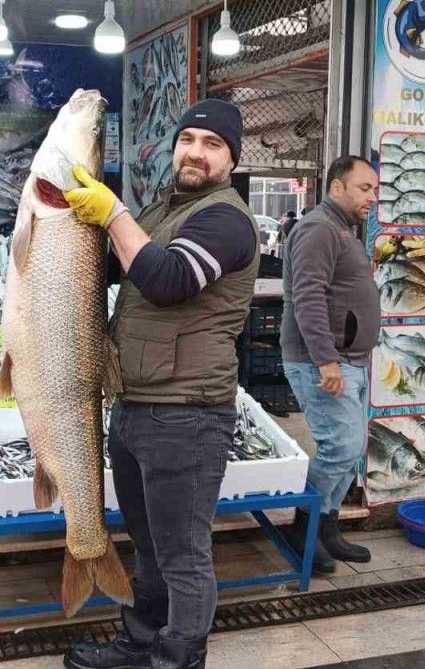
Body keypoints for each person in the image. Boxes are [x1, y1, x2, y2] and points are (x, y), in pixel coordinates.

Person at [60, 99, 259, 669]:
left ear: (231, 159)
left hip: (187, 414)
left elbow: (168, 280)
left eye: (212, 144)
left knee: (183, 555)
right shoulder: (163, 209)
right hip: (135, 404)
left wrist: (113, 212)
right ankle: (141, 641)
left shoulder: (226, 220)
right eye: (187, 140)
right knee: (147, 544)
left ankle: (179, 658)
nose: (196, 152)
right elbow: (119, 268)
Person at [279, 155, 380, 574]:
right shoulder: (319, 228)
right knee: (341, 446)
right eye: (364, 188)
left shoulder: (342, 229)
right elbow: (308, 297)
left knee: (351, 447)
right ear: (337, 187)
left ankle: (327, 527)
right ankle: (302, 528)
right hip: (322, 362)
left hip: (349, 359)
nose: (372, 197)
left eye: (374, 190)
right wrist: (326, 361)